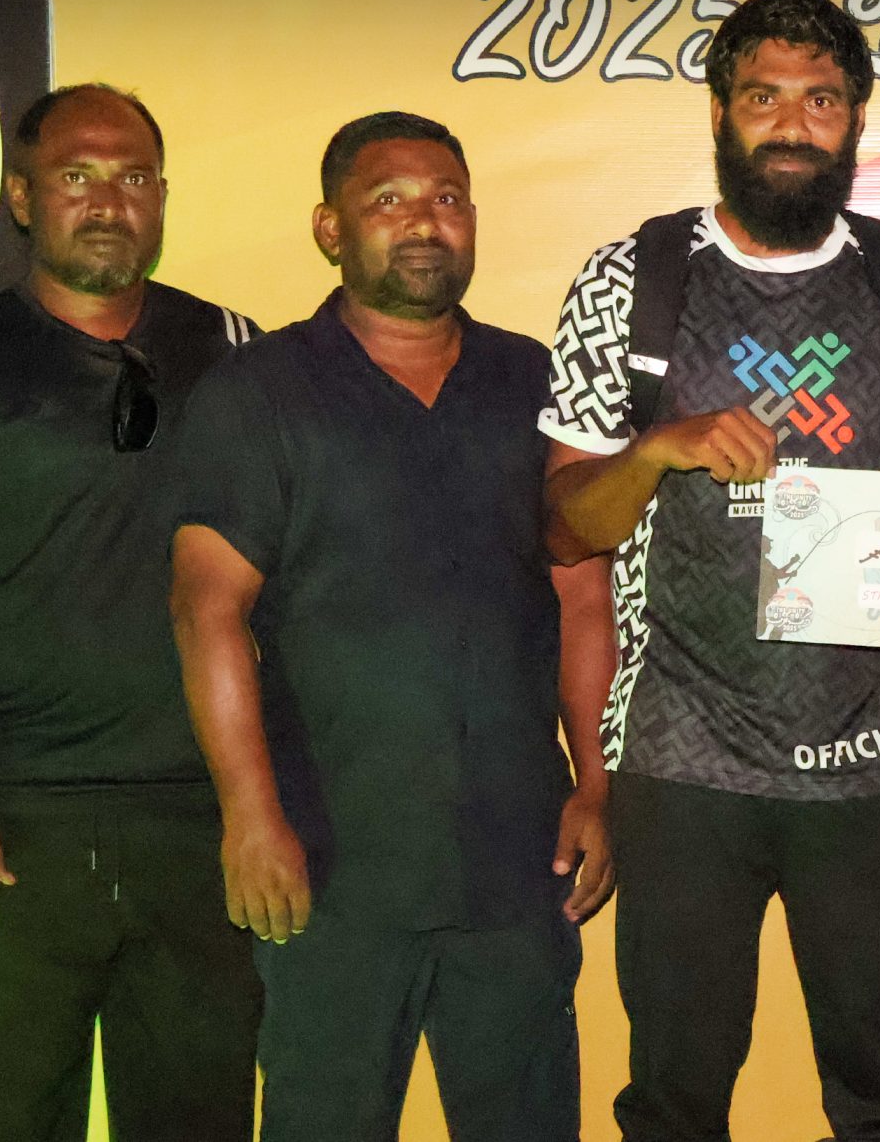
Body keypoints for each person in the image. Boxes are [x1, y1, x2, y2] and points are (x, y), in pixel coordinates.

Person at [541, 0, 880, 1142]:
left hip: (870, 757)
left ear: (855, 118)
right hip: (683, 758)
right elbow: (566, 528)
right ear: (719, 113)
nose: (791, 123)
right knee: (674, 1096)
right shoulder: (632, 276)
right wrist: (657, 449)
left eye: (820, 100)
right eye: (763, 97)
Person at [171, 112, 592, 1141]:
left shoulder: (535, 383)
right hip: (330, 867)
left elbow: (585, 593)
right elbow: (206, 608)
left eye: (446, 199)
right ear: (331, 228)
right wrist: (249, 817)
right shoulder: (260, 391)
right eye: (388, 200)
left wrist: (598, 780)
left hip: (516, 861)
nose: (423, 222)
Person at [0, 83, 259, 1141]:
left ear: (162, 196)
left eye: (133, 177)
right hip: (11, 827)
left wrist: (268, 805)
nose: (108, 201)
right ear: (23, 197)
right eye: (77, 175)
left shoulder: (234, 353)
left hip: (199, 824)